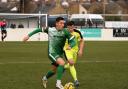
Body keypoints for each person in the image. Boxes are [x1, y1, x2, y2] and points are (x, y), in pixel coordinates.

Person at [23, 17, 76, 89]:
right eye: (61, 23)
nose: (63, 25)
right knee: (62, 63)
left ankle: (45, 78)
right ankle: (58, 83)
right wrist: (28, 35)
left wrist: (70, 45)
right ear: (56, 23)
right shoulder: (50, 30)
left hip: (60, 53)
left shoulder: (65, 31)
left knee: (55, 70)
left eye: (63, 23)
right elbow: (39, 29)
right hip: (52, 52)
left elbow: (73, 41)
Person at [64, 21, 84, 87]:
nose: (70, 29)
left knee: (71, 64)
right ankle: (76, 80)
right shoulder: (64, 32)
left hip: (75, 51)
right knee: (71, 63)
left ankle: (63, 67)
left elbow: (82, 41)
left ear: (74, 27)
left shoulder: (77, 32)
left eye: (72, 28)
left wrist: (80, 50)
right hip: (67, 50)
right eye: (69, 28)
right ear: (67, 27)